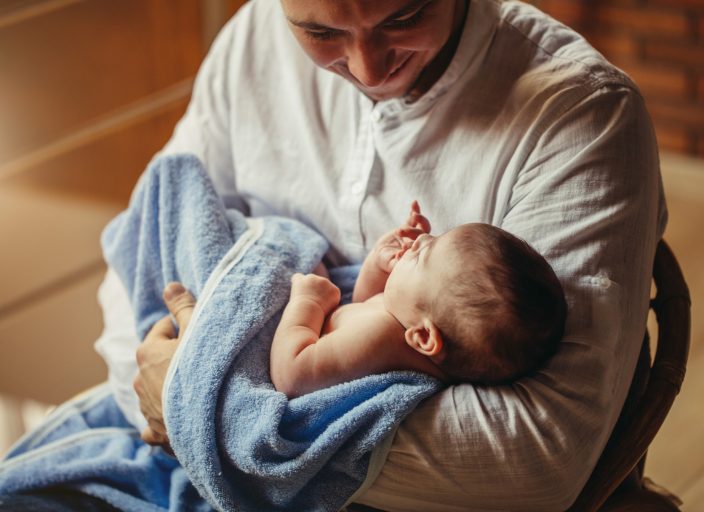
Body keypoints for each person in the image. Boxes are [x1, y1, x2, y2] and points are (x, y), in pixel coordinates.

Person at [2, 0, 665, 509]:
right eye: (320, 32)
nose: (368, 69)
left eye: (403, 16)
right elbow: (151, 245)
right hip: (179, 427)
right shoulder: (256, 36)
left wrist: (203, 410)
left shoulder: (581, 115)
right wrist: (162, 390)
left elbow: (538, 461)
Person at [271, 201, 567, 398]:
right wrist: (379, 264)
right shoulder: (407, 322)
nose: (421, 239)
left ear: (425, 337)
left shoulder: (380, 337)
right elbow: (364, 304)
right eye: (434, 240)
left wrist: (307, 303)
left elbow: (293, 377)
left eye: (423, 255)